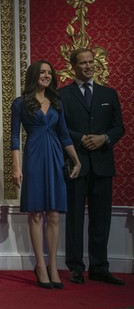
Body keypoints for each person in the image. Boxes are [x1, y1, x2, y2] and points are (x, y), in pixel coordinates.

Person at [11, 60, 81, 289]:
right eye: (42, 72)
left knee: (53, 214)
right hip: (33, 157)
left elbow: (64, 135)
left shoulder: (57, 102)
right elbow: (14, 139)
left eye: (49, 73)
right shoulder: (20, 103)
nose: (47, 76)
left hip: (55, 157)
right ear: (33, 75)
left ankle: (53, 266)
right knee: (37, 213)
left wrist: (76, 160)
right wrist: (16, 166)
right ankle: (40, 265)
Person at [59, 48, 126, 286]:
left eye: (91, 62)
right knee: (75, 218)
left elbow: (119, 127)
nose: (88, 66)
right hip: (76, 164)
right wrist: (81, 138)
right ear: (73, 66)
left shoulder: (109, 93)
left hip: (102, 164)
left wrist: (104, 139)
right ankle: (75, 267)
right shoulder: (62, 95)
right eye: (83, 63)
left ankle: (100, 267)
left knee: (101, 218)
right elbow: (60, 127)